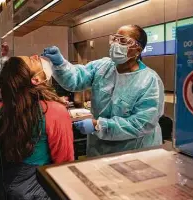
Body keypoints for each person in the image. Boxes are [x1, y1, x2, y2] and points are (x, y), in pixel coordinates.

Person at [42, 25, 165, 156]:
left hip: (135, 151)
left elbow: (142, 123)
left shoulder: (149, 81)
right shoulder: (102, 66)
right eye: (115, 39)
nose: (116, 44)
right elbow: (76, 79)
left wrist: (99, 125)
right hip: (99, 148)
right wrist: (60, 63)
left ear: (137, 50)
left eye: (123, 41)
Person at [0, 56, 74, 199]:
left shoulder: (4, 109)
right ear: (35, 80)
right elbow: (64, 163)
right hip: (35, 188)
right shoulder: (54, 111)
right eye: (31, 60)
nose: (35, 56)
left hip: (5, 184)